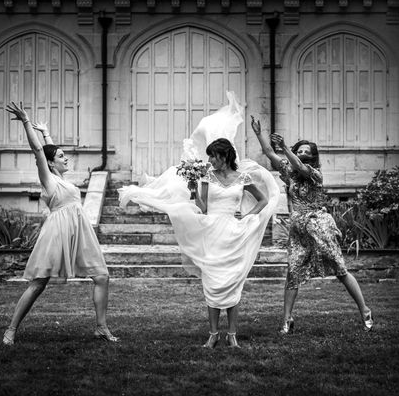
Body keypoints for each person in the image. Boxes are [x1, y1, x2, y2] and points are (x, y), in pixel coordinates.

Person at [118, 94, 279, 348]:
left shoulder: (242, 178)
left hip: (234, 231)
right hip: (211, 229)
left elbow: (261, 201)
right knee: (213, 280)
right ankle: (214, 333)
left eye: (214, 156)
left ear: (225, 156)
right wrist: (193, 190)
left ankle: (233, 334)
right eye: (210, 156)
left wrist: (246, 215)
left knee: (233, 281)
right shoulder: (206, 176)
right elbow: (202, 208)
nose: (211, 160)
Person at [2, 101, 118, 345]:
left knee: (102, 276)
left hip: (80, 230)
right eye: (62, 157)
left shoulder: (63, 179)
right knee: (38, 283)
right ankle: (11, 329)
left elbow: (48, 150)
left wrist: (46, 133)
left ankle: (101, 327)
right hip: (58, 231)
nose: (67, 159)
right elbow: (39, 152)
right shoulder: (49, 180)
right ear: (51, 163)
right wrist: (26, 122)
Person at [250, 116, 373, 334]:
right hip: (299, 229)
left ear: (313, 157)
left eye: (308, 152)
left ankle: (364, 310)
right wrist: (259, 133)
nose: (304, 153)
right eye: (301, 150)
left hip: (319, 225)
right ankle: (287, 319)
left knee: (340, 269)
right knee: (293, 271)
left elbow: (298, 165)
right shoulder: (289, 174)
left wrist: (285, 147)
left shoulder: (315, 174)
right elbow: (270, 153)